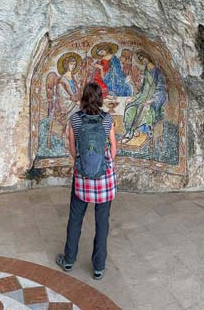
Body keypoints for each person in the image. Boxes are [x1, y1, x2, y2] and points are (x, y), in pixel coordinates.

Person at [56, 82, 116, 280]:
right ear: (100, 99)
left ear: (83, 97)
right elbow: (113, 149)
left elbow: (72, 149)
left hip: (82, 178)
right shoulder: (108, 119)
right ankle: (98, 267)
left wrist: (82, 164)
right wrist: (103, 164)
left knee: (75, 219)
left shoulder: (75, 119)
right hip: (104, 179)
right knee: (102, 222)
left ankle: (69, 260)